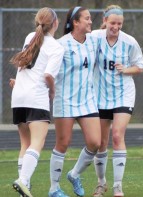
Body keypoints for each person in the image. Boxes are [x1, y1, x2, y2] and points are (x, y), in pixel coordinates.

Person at [9, 7, 64, 197]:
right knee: (37, 143)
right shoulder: (56, 47)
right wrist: (53, 91)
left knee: (25, 143)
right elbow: (48, 75)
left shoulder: (30, 36)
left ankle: (26, 187)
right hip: (36, 97)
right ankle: (23, 181)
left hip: (18, 97)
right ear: (55, 23)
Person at [91, 4, 143, 197]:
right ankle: (101, 183)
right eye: (112, 22)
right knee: (101, 142)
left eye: (119, 23)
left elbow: (139, 67)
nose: (116, 27)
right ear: (105, 21)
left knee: (117, 136)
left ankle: (117, 186)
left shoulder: (129, 42)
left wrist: (125, 69)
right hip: (100, 95)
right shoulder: (95, 37)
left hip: (123, 94)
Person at [48, 6, 101, 197]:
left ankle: (74, 174)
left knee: (95, 142)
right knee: (62, 144)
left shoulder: (94, 41)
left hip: (87, 101)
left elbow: (110, 31)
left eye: (90, 18)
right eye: (86, 18)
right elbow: (45, 68)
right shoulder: (60, 45)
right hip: (65, 100)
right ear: (75, 22)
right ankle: (54, 189)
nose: (90, 21)